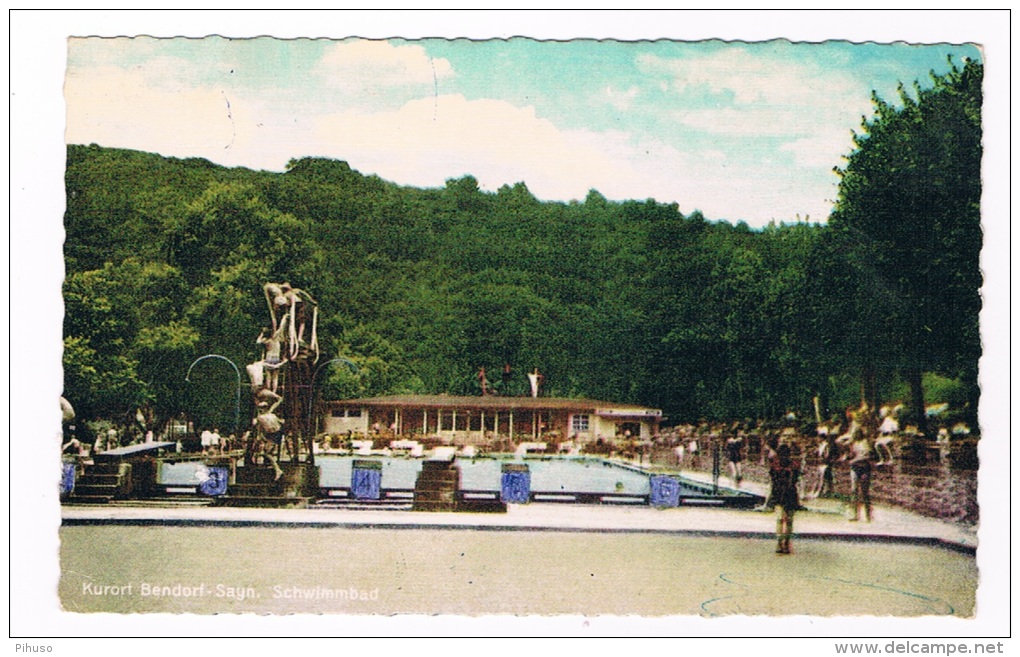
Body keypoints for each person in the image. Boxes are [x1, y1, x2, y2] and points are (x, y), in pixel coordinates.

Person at [770, 442, 800, 554]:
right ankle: (784, 543)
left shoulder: (776, 465)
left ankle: (782, 543)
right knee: (787, 520)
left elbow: (773, 481)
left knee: (782, 519)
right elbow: (795, 480)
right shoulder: (793, 466)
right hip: (788, 493)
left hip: (781, 493)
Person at [848, 432, 874, 522]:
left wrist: (854, 460)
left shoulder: (866, 443)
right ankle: (855, 514)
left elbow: (867, 456)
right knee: (854, 491)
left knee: (864, 492)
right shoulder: (854, 444)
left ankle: (868, 515)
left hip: (864, 468)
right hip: (855, 468)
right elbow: (851, 455)